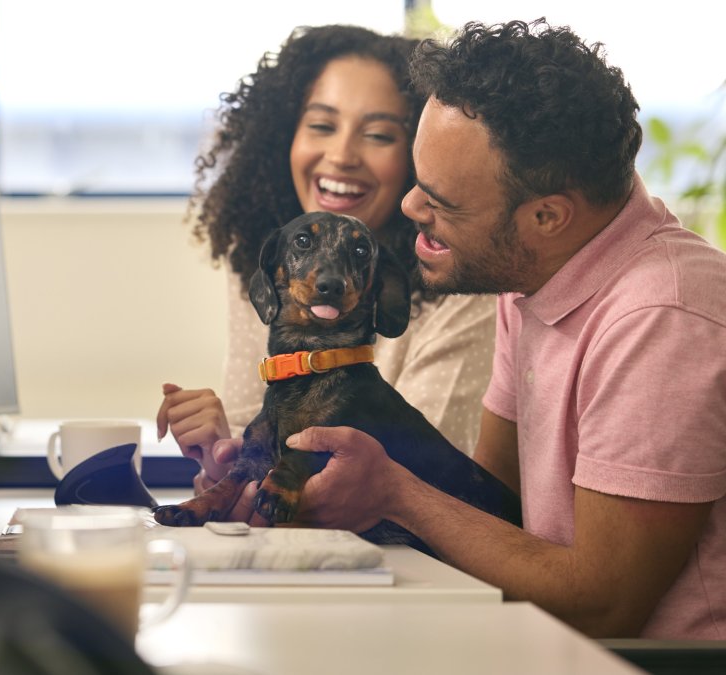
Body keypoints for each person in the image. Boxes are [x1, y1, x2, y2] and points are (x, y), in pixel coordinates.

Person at [272, 19, 726, 639]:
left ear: (546, 216)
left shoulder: (661, 319)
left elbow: (603, 605)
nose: (408, 207)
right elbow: (491, 512)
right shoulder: (532, 278)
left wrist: (396, 493)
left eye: (441, 200)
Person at [157, 25, 497, 493]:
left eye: (378, 135)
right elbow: (255, 457)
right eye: (321, 126)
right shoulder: (273, 276)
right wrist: (218, 451)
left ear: (419, 157)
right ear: (284, 140)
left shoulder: (462, 288)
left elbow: (411, 483)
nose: (340, 156)